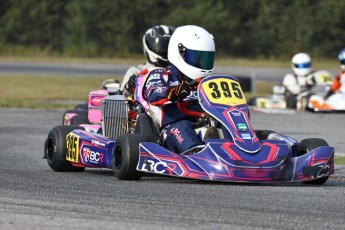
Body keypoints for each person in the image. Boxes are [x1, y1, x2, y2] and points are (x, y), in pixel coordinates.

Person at [142, 25, 215, 153]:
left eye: (205, 59)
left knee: (227, 126)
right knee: (183, 127)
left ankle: (244, 151)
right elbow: (153, 93)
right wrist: (175, 91)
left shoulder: (208, 82)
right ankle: (195, 155)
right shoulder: (162, 74)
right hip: (170, 130)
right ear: (179, 53)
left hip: (204, 124)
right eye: (195, 58)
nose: (201, 63)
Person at [119, 25, 175, 97]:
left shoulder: (177, 72)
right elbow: (122, 97)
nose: (167, 50)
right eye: (164, 47)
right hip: (143, 107)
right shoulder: (136, 72)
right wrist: (129, 86)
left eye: (169, 47)